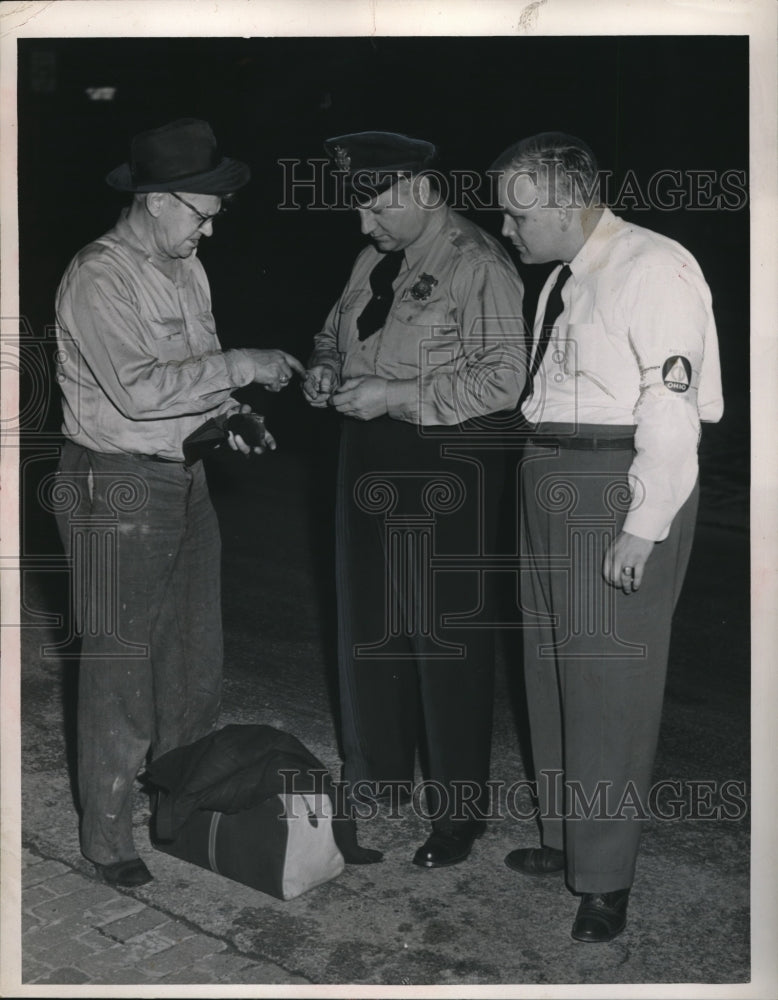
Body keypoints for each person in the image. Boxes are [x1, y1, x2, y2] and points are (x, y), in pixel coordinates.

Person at [53, 118, 305, 887]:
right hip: (117, 480)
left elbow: (194, 376)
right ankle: (107, 836)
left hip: (183, 478)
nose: (213, 221)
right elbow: (136, 388)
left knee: (193, 658)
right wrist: (244, 363)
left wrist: (230, 418)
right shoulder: (99, 277)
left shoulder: (187, 267)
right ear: (157, 201)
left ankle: (179, 810)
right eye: (203, 208)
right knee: (120, 665)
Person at [491, 132, 723, 941]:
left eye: (519, 215)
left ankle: (607, 879)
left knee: (610, 688)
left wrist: (644, 522)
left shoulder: (652, 268)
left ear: (566, 201)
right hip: (548, 471)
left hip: (612, 481)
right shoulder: (563, 276)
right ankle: (566, 840)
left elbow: (671, 407)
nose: (508, 230)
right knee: (552, 669)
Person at [303, 131, 526, 868]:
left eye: (375, 208)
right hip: (366, 451)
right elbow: (334, 332)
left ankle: (459, 813)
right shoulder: (375, 258)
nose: (363, 226)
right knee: (370, 620)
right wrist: (323, 369)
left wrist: (397, 393)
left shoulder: (477, 263)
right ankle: (382, 776)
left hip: (446, 462)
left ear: (423, 193)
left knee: (446, 641)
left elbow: (503, 382)